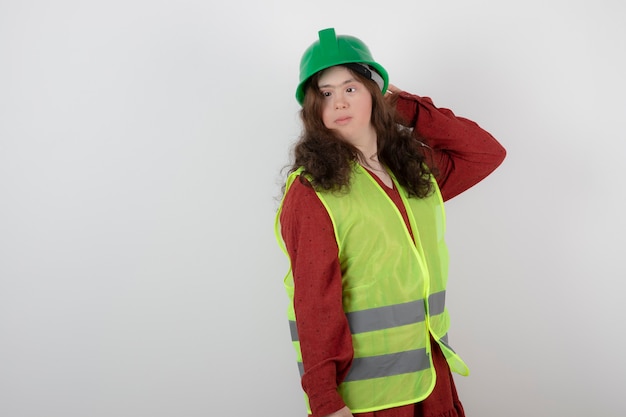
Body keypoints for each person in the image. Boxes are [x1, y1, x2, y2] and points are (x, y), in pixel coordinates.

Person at [274, 28, 506, 417]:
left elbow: (484, 153)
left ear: (374, 92)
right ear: (314, 107)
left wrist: (407, 106)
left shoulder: (412, 170)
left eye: (351, 88)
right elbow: (313, 303)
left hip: (432, 380)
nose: (338, 102)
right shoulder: (312, 192)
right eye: (326, 93)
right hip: (372, 399)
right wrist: (325, 403)